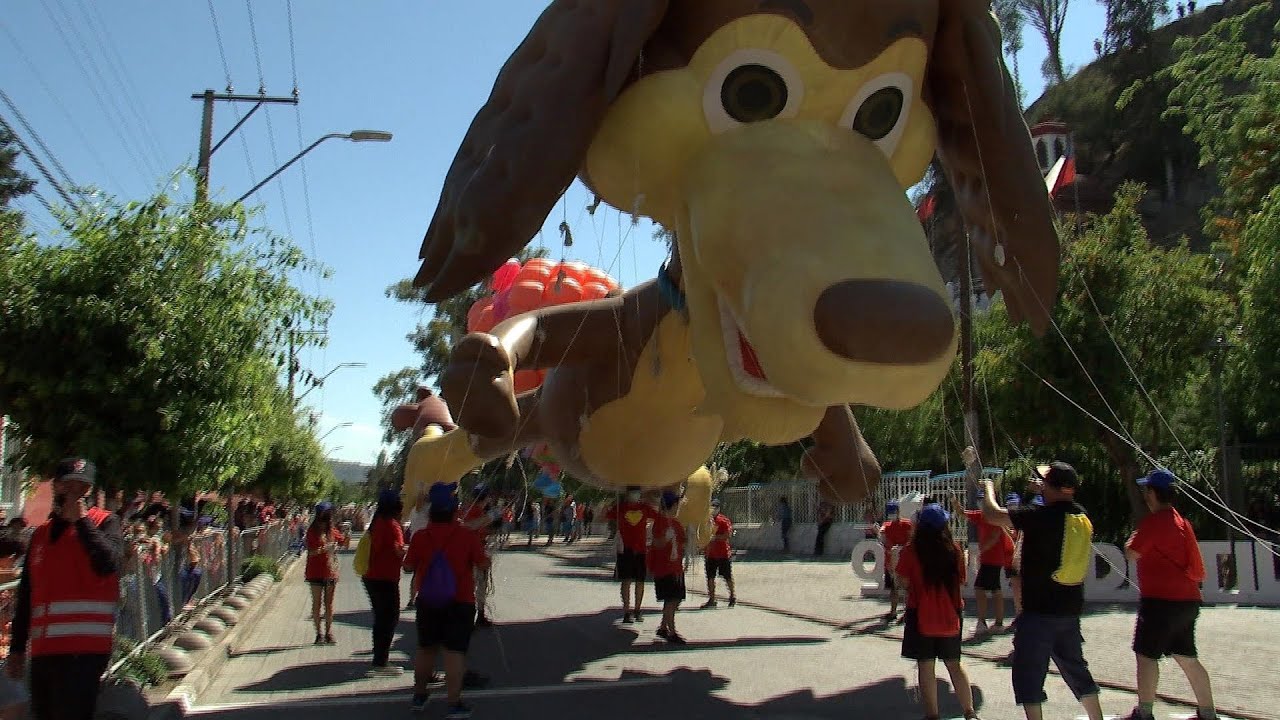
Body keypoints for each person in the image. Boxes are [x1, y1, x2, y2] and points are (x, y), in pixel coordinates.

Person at [981, 463, 1104, 720]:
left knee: (1028, 675)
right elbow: (1058, 503)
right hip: (1069, 611)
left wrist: (989, 488)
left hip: (1039, 613)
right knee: (1076, 670)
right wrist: (1045, 489)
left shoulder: (1039, 517)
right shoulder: (1080, 515)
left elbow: (993, 514)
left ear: (1053, 487)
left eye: (1044, 481)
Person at [7, 458, 125, 720]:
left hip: (84, 651)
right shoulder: (40, 535)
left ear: (90, 492)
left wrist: (82, 523)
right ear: (56, 488)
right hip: (43, 652)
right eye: (67, 486)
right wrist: (16, 648)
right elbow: (27, 595)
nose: (73, 493)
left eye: (81, 488)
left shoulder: (105, 522)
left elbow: (110, 564)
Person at [1123, 469, 1216, 720]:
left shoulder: (1155, 522)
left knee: (1146, 656)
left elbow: (1132, 553)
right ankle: (1208, 712)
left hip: (1160, 602)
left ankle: (1144, 712)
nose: (1144, 494)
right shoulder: (1181, 521)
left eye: (1146, 490)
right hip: (1188, 601)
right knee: (1187, 657)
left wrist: (1131, 538)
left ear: (1152, 493)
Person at [404, 482, 490, 718]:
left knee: (426, 648)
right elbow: (482, 563)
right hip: (460, 601)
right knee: (454, 652)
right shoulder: (466, 536)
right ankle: (453, 702)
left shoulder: (421, 537)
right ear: (453, 509)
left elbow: (408, 566)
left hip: (428, 600)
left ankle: (419, 695)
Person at [895, 504, 978, 720]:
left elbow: (902, 581)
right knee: (954, 664)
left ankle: (932, 715)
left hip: (919, 612)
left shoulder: (911, 550)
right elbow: (961, 580)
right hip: (951, 611)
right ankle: (969, 712)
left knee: (926, 666)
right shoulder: (955, 549)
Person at [362, 489, 407, 677]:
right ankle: (381, 662)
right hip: (385, 578)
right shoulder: (392, 525)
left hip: (372, 576)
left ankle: (379, 659)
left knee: (381, 619)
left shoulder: (377, 522)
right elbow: (398, 551)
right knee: (389, 619)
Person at [954, 494, 1013, 634]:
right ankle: (997, 622)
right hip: (990, 559)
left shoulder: (994, 517)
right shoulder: (981, 515)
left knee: (980, 589)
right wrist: (955, 503)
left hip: (992, 559)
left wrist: (981, 549)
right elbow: (963, 513)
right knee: (995, 589)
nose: (980, 503)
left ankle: (984, 622)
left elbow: (995, 536)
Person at [605, 488, 658, 623]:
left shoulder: (644, 507)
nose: (634, 494)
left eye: (637, 492)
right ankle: (627, 611)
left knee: (640, 581)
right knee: (626, 581)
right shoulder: (620, 508)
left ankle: (637, 609)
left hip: (640, 550)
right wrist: (608, 504)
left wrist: (652, 498)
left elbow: (658, 515)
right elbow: (604, 516)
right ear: (627, 494)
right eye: (632, 492)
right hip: (625, 550)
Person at [649, 490, 688, 644]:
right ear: (671, 505)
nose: (679, 507)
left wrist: (691, 536)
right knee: (671, 600)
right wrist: (666, 538)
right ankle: (671, 632)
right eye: (677, 504)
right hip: (664, 568)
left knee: (676, 599)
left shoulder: (677, 523)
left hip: (676, 568)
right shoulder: (659, 522)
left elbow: (683, 544)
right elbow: (657, 544)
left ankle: (663, 627)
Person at [460, 484, 498, 628]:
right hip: (473, 553)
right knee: (476, 585)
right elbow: (470, 526)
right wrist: (489, 518)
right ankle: (472, 617)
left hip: (477, 551)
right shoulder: (473, 511)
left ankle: (479, 615)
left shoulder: (470, 509)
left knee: (479, 584)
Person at [305, 502, 342, 645]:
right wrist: (325, 548)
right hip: (315, 571)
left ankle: (328, 632)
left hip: (330, 571)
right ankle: (318, 633)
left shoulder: (332, 530)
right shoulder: (312, 532)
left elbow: (343, 541)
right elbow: (311, 552)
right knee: (317, 604)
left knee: (329, 604)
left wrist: (346, 536)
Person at [879, 501, 913, 622]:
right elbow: (883, 537)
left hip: (904, 560)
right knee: (894, 587)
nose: (892, 515)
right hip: (891, 561)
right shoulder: (886, 526)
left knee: (907, 587)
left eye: (893, 512)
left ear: (898, 512)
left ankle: (907, 612)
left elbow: (910, 539)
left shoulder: (906, 524)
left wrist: (901, 548)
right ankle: (893, 611)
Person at [701, 499, 737, 609]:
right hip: (710, 554)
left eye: (715, 507)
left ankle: (732, 596)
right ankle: (712, 599)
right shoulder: (706, 520)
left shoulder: (723, 520)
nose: (713, 509)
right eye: (711, 507)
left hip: (722, 554)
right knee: (710, 577)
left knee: (727, 576)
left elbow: (727, 535)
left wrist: (715, 537)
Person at [406, 491, 432, 609]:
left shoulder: (414, 511)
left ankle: (412, 599)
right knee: (425, 572)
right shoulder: (429, 509)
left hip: (414, 542)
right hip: (426, 542)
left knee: (417, 573)